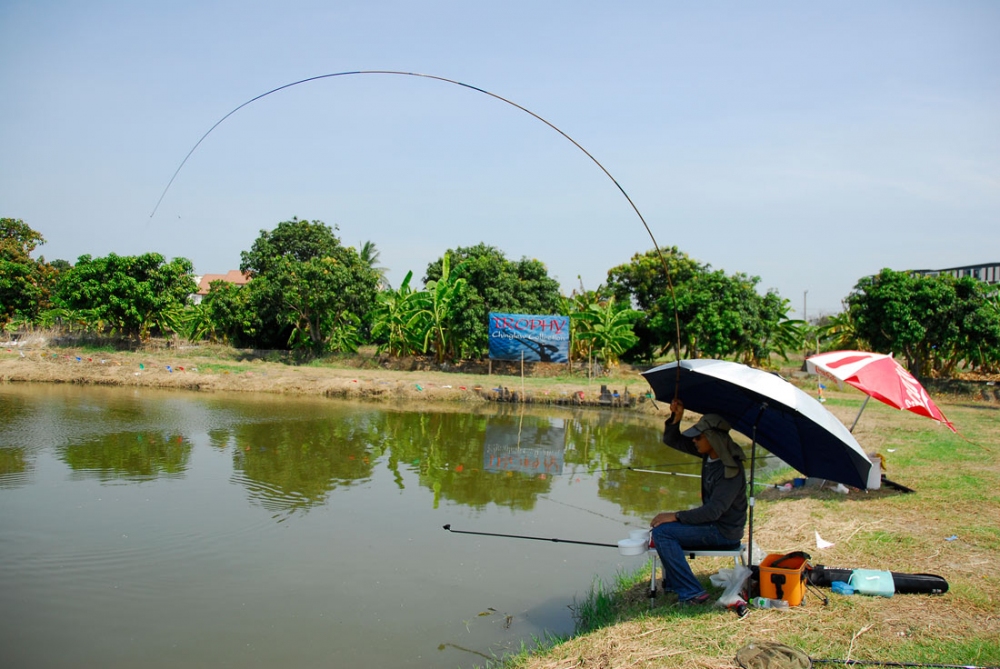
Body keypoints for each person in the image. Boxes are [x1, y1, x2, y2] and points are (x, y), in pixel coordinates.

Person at [650, 398, 748, 605]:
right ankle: (673, 583)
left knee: (663, 532)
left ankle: (692, 592)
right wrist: (676, 418)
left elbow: (713, 512)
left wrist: (675, 515)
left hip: (723, 532)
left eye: (699, 437)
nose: (694, 441)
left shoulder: (730, 470)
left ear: (713, 438)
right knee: (665, 526)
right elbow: (673, 440)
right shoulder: (710, 454)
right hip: (713, 524)